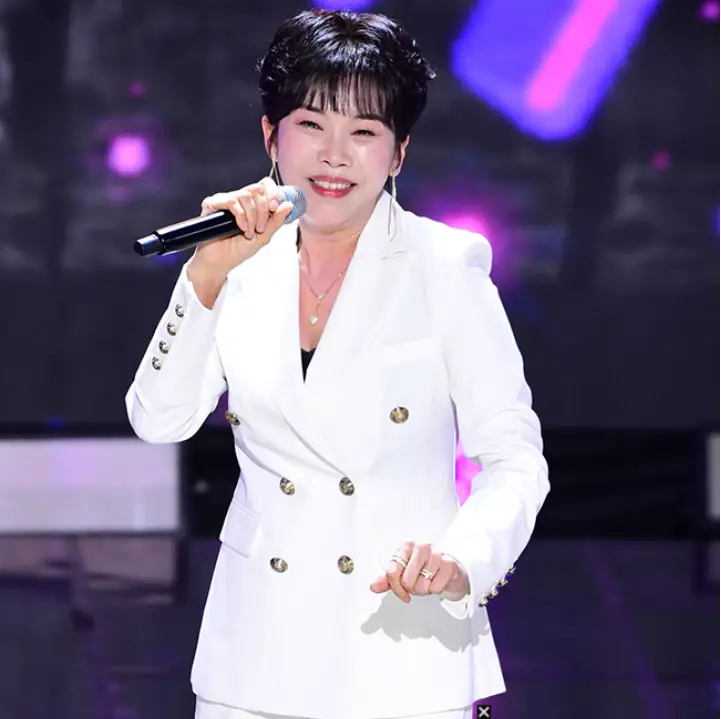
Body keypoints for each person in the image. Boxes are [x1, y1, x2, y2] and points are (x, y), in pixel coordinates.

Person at [125, 9, 549, 719]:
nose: (334, 156)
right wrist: (204, 275)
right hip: (257, 655)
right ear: (272, 136)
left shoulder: (444, 267)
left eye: (364, 132)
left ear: (398, 153)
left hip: (403, 643)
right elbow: (159, 420)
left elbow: (513, 458)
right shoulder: (236, 264)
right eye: (311, 124)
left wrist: (462, 558)